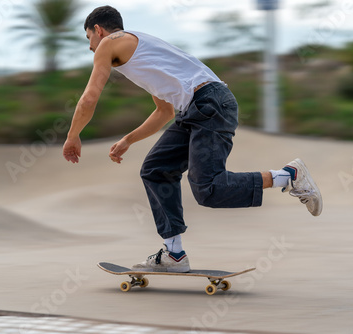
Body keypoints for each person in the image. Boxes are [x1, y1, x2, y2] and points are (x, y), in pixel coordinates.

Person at [63, 5, 322, 273]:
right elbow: (164, 111)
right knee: (155, 169)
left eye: (88, 39)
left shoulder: (109, 43)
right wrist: (129, 139)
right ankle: (174, 255)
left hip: (209, 104)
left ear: (98, 30)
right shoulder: (144, 52)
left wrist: (73, 136)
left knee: (208, 189)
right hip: (198, 108)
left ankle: (289, 175)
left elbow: (90, 97)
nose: (91, 48)